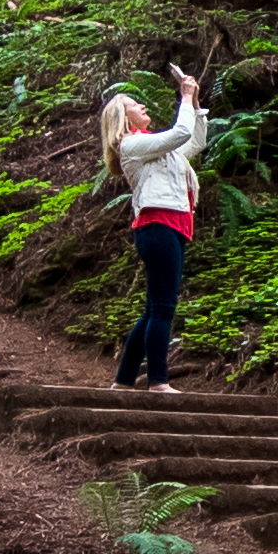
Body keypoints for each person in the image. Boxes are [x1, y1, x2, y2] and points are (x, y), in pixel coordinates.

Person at [97, 69, 207, 387]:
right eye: (135, 104)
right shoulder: (131, 146)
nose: (143, 106)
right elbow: (179, 134)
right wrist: (184, 97)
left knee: (152, 310)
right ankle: (158, 381)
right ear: (123, 117)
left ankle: (123, 381)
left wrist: (195, 102)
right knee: (162, 309)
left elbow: (194, 140)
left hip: (171, 227)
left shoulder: (154, 147)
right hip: (157, 226)